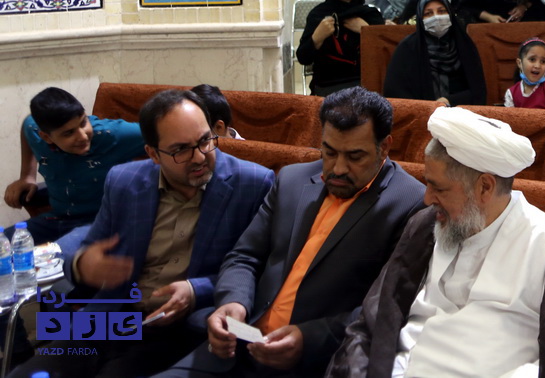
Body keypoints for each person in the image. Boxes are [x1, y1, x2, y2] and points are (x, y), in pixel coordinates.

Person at [157, 87, 426, 377]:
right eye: (329, 152)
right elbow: (244, 256)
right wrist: (233, 301)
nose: (338, 168)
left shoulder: (410, 203)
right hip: (237, 344)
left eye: (355, 156)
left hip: (315, 362)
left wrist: (309, 339)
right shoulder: (292, 179)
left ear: (384, 147)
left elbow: (388, 306)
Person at [10, 89, 275, 378]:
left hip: (182, 328)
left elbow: (254, 269)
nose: (199, 157)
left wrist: (194, 289)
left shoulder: (253, 183)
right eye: (180, 150)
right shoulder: (124, 180)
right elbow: (88, 250)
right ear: (153, 154)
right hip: (112, 319)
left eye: (204, 141)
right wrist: (83, 265)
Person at [326, 106, 545, 376]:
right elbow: (371, 323)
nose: (427, 199)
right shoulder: (425, 226)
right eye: (427, 183)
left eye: (439, 188)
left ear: (485, 187)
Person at [3, 87, 145, 245]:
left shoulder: (113, 135)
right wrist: (27, 176)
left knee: (59, 253)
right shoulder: (36, 132)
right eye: (68, 133)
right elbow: (27, 125)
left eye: (83, 122)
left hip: (102, 223)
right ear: (46, 137)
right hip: (57, 220)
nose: (82, 136)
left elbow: (161, 135)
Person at [296, 0, 385, 96]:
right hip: (329, 86)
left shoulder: (371, 15)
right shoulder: (318, 14)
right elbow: (303, 58)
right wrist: (317, 38)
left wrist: (366, 30)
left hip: (364, 84)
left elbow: (385, 53)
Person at [384, 0, 486, 106]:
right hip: (421, 113)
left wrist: (449, 101)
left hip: (460, 111)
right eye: (428, 13)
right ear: (420, 18)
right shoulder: (408, 48)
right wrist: (428, 108)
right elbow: (395, 92)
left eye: (442, 11)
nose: (436, 17)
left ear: (450, 13)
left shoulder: (464, 44)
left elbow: (478, 90)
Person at [504, 37, 545, 110]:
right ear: (519, 63)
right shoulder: (511, 93)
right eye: (532, 59)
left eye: (543, 61)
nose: (537, 66)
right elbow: (509, 116)